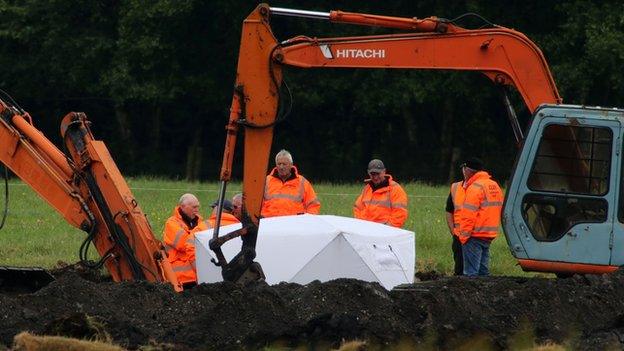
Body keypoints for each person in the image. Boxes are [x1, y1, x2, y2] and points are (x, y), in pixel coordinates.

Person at [456, 157, 504, 276]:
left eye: (464, 169)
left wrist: (463, 237)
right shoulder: (494, 185)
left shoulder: (474, 188)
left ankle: (470, 295)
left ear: (468, 171)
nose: (463, 172)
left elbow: (468, 215)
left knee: (471, 274)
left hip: (474, 235)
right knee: (483, 273)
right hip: (488, 235)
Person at [445, 159, 486, 276]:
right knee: (460, 269)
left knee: (475, 271)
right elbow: (449, 210)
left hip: (475, 236)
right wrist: (453, 231)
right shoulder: (455, 187)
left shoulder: (481, 188)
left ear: (466, 170)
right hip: (459, 236)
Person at [162, 193, 208, 288]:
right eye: (194, 207)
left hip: (199, 275)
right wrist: (197, 236)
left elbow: (205, 243)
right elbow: (185, 245)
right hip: (181, 278)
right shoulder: (172, 223)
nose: (197, 210)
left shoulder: (200, 222)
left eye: (197, 207)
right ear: (182, 207)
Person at [261, 149, 320, 217]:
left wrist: (307, 221)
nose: (281, 167)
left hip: (293, 224)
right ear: (276, 164)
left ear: (291, 165)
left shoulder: (302, 182)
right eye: (279, 164)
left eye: (284, 164)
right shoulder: (266, 181)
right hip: (269, 223)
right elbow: (256, 204)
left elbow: (313, 205)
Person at [353, 159, 408, 228]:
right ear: (368, 173)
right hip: (366, 231)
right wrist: (361, 225)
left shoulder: (395, 189)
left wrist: (386, 230)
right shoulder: (367, 188)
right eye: (373, 174)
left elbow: (400, 214)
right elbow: (357, 208)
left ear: (384, 172)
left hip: (385, 233)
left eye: (378, 174)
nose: (375, 177)